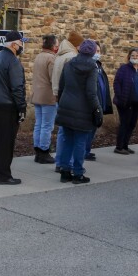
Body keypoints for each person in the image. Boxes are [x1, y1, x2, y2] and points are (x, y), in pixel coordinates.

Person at [55, 39, 102, 184]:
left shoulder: (69, 64)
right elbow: (91, 93)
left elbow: (61, 86)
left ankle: (64, 171)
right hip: (83, 109)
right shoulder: (92, 67)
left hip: (67, 105)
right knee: (80, 142)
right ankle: (78, 173)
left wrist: (62, 103)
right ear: (93, 52)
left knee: (67, 139)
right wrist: (97, 109)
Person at [0, 30, 27, 185]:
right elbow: (17, 87)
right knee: (6, 141)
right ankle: (3, 175)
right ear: (13, 45)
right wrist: (22, 107)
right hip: (7, 106)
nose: (22, 46)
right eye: (20, 43)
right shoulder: (13, 62)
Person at [52, 30, 82, 172]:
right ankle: (66, 163)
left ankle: (59, 161)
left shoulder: (60, 55)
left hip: (59, 95)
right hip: (68, 97)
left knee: (63, 132)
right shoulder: (71, 57)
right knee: (70, 133)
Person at [31, 34, 59, 164]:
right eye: (57, 43)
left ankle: (38, 150)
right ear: (53, 45)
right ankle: (44, 151)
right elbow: (54, 79)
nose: (58, 45)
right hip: (48, 97)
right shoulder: (51, 59)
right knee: (47, 126)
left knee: (39, 124)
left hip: (37, 95)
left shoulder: (38, 56)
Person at [112, 47, 138, 155]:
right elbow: (116, 83)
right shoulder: (124, 69)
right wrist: (121, 97)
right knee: (124, 124)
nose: (135, 58)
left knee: (131, 124)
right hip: (125, 102)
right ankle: (119, 146)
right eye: (132, 56)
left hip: (137, 103)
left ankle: (125, 146)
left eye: (137, 56)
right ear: (129, 57)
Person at [85, 41, 112, 161]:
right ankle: (84, 152)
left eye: (99, 51)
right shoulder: (89, 66)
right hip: (92, 104)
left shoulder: (98, 66)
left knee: (93, 129)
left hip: (99, 102)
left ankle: (87, 150)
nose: (97, 53)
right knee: (88, 129)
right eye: (95, 51)